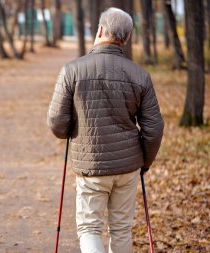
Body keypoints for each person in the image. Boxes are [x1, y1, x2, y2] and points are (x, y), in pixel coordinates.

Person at [47, 7, 164, 253]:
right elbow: (154, 128)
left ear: (100, 30)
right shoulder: (140, 75)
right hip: (128, 166)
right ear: (126, 38)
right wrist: (144, 162)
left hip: (91, 166)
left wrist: (71, 129)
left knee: (89, 228)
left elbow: (57, 122)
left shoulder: (72, 71)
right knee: (121, 228)